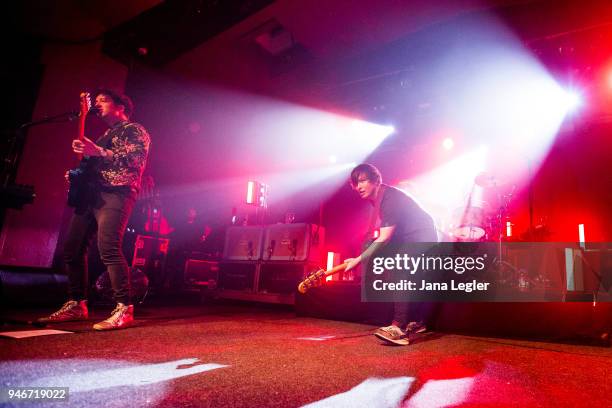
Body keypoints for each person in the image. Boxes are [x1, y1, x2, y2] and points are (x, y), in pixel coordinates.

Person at [39, 88, 150, 330]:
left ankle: (124, 308)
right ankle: (78, 303)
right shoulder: (104, 135)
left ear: (121, 106)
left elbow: (135, 160)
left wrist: (98, 151)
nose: (97, 104)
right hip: (93, 195)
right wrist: (76, 174)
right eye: (96, 101)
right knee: (72, 248)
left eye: (104, 100)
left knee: (108, 246)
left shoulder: (134, 130)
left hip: (117, 193)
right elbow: (92, 166)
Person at [344, 163, 438, 345]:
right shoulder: (379, 200)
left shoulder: (389, 198)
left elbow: (385, 237)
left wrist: (358, 260)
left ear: (376, 180)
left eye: (363, 181)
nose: (359, 187)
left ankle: (399, 328)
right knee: (396, 269)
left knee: (399, 268)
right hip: (407, 238)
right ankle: (417, 321)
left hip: (423, 236)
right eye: (356, 183)